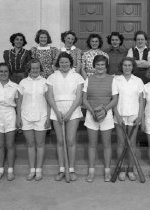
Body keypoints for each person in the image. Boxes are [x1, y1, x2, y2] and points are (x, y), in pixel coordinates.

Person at [47, 52, 84, 181]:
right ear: (58, 63)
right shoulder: (52, 77)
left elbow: (79, 97)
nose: (64, 64)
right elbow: (50, 96)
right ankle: (62, 169)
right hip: (56, 109)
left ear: (70, 63)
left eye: (66, 62)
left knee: (70, 140)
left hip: (73, 110)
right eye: (61, 62)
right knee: (60, 141)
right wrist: (57, 112)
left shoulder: (77, 76)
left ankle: (71, 169)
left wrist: (69, 113)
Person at [83, 55, 118, 182]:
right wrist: (92, 111)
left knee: (106, 144)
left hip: (106, 114)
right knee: (92, 145)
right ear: (94, 66)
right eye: (98, 64)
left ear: (106, 66)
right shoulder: (88, 79)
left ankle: (107, 171)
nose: (100, 67)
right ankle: (91, 171)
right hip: (91, 114)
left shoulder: (112, 79)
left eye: (102, 64)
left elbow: (115, 99)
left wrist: (104, 110)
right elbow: (84, 99)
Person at [16, 59, 50, 181]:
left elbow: (49, 102)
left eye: (37, 68)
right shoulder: (23, 82)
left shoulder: (45, 82)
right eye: (32, 68)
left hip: (42, 117)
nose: (34, 70)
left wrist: (48, 118)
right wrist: (18, 117)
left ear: (40, 69)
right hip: (26, 117)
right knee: (30, 145)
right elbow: (19, 101)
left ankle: (39, 170)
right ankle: (32, 170)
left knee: (40, 145)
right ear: (28, 69)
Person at [114, 57, 144, 181]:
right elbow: (113, 99)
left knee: (131, 144)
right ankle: (121, 169)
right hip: (120, 115)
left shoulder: (138, 81)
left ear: (133, 67)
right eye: (125, 65)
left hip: (134, 116)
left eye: (129, 65)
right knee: (121, 144)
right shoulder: (116, 80)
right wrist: (117, 115)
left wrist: (140, 115)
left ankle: (130, 169)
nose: (127, 67)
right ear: (122, 66)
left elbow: (141, 100)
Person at [0, 63, 18, 181]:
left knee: (10, 145)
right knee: (0, 145)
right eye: (1, 71)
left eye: (5, 71)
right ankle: (1, 169)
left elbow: (18, 104)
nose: (3, 73)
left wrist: (19, 118)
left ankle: (10, 170)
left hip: (10, 114)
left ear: (9, 72)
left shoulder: (15, 86)